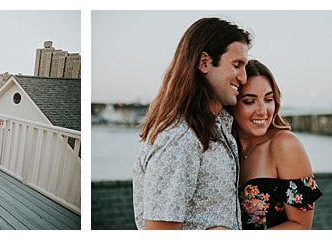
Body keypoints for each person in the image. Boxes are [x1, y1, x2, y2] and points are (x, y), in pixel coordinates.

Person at [133, 17, 252, 230]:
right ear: (204, 62)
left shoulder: (219, 124)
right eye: (237, 65)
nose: (243, 78)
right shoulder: (179, 138)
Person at [230, 59, 322, 230]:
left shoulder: (285, 145)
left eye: (268, 99)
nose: (263, 111)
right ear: (231, 103)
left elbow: (301, 227)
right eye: (250, 101)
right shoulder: (224, 148)